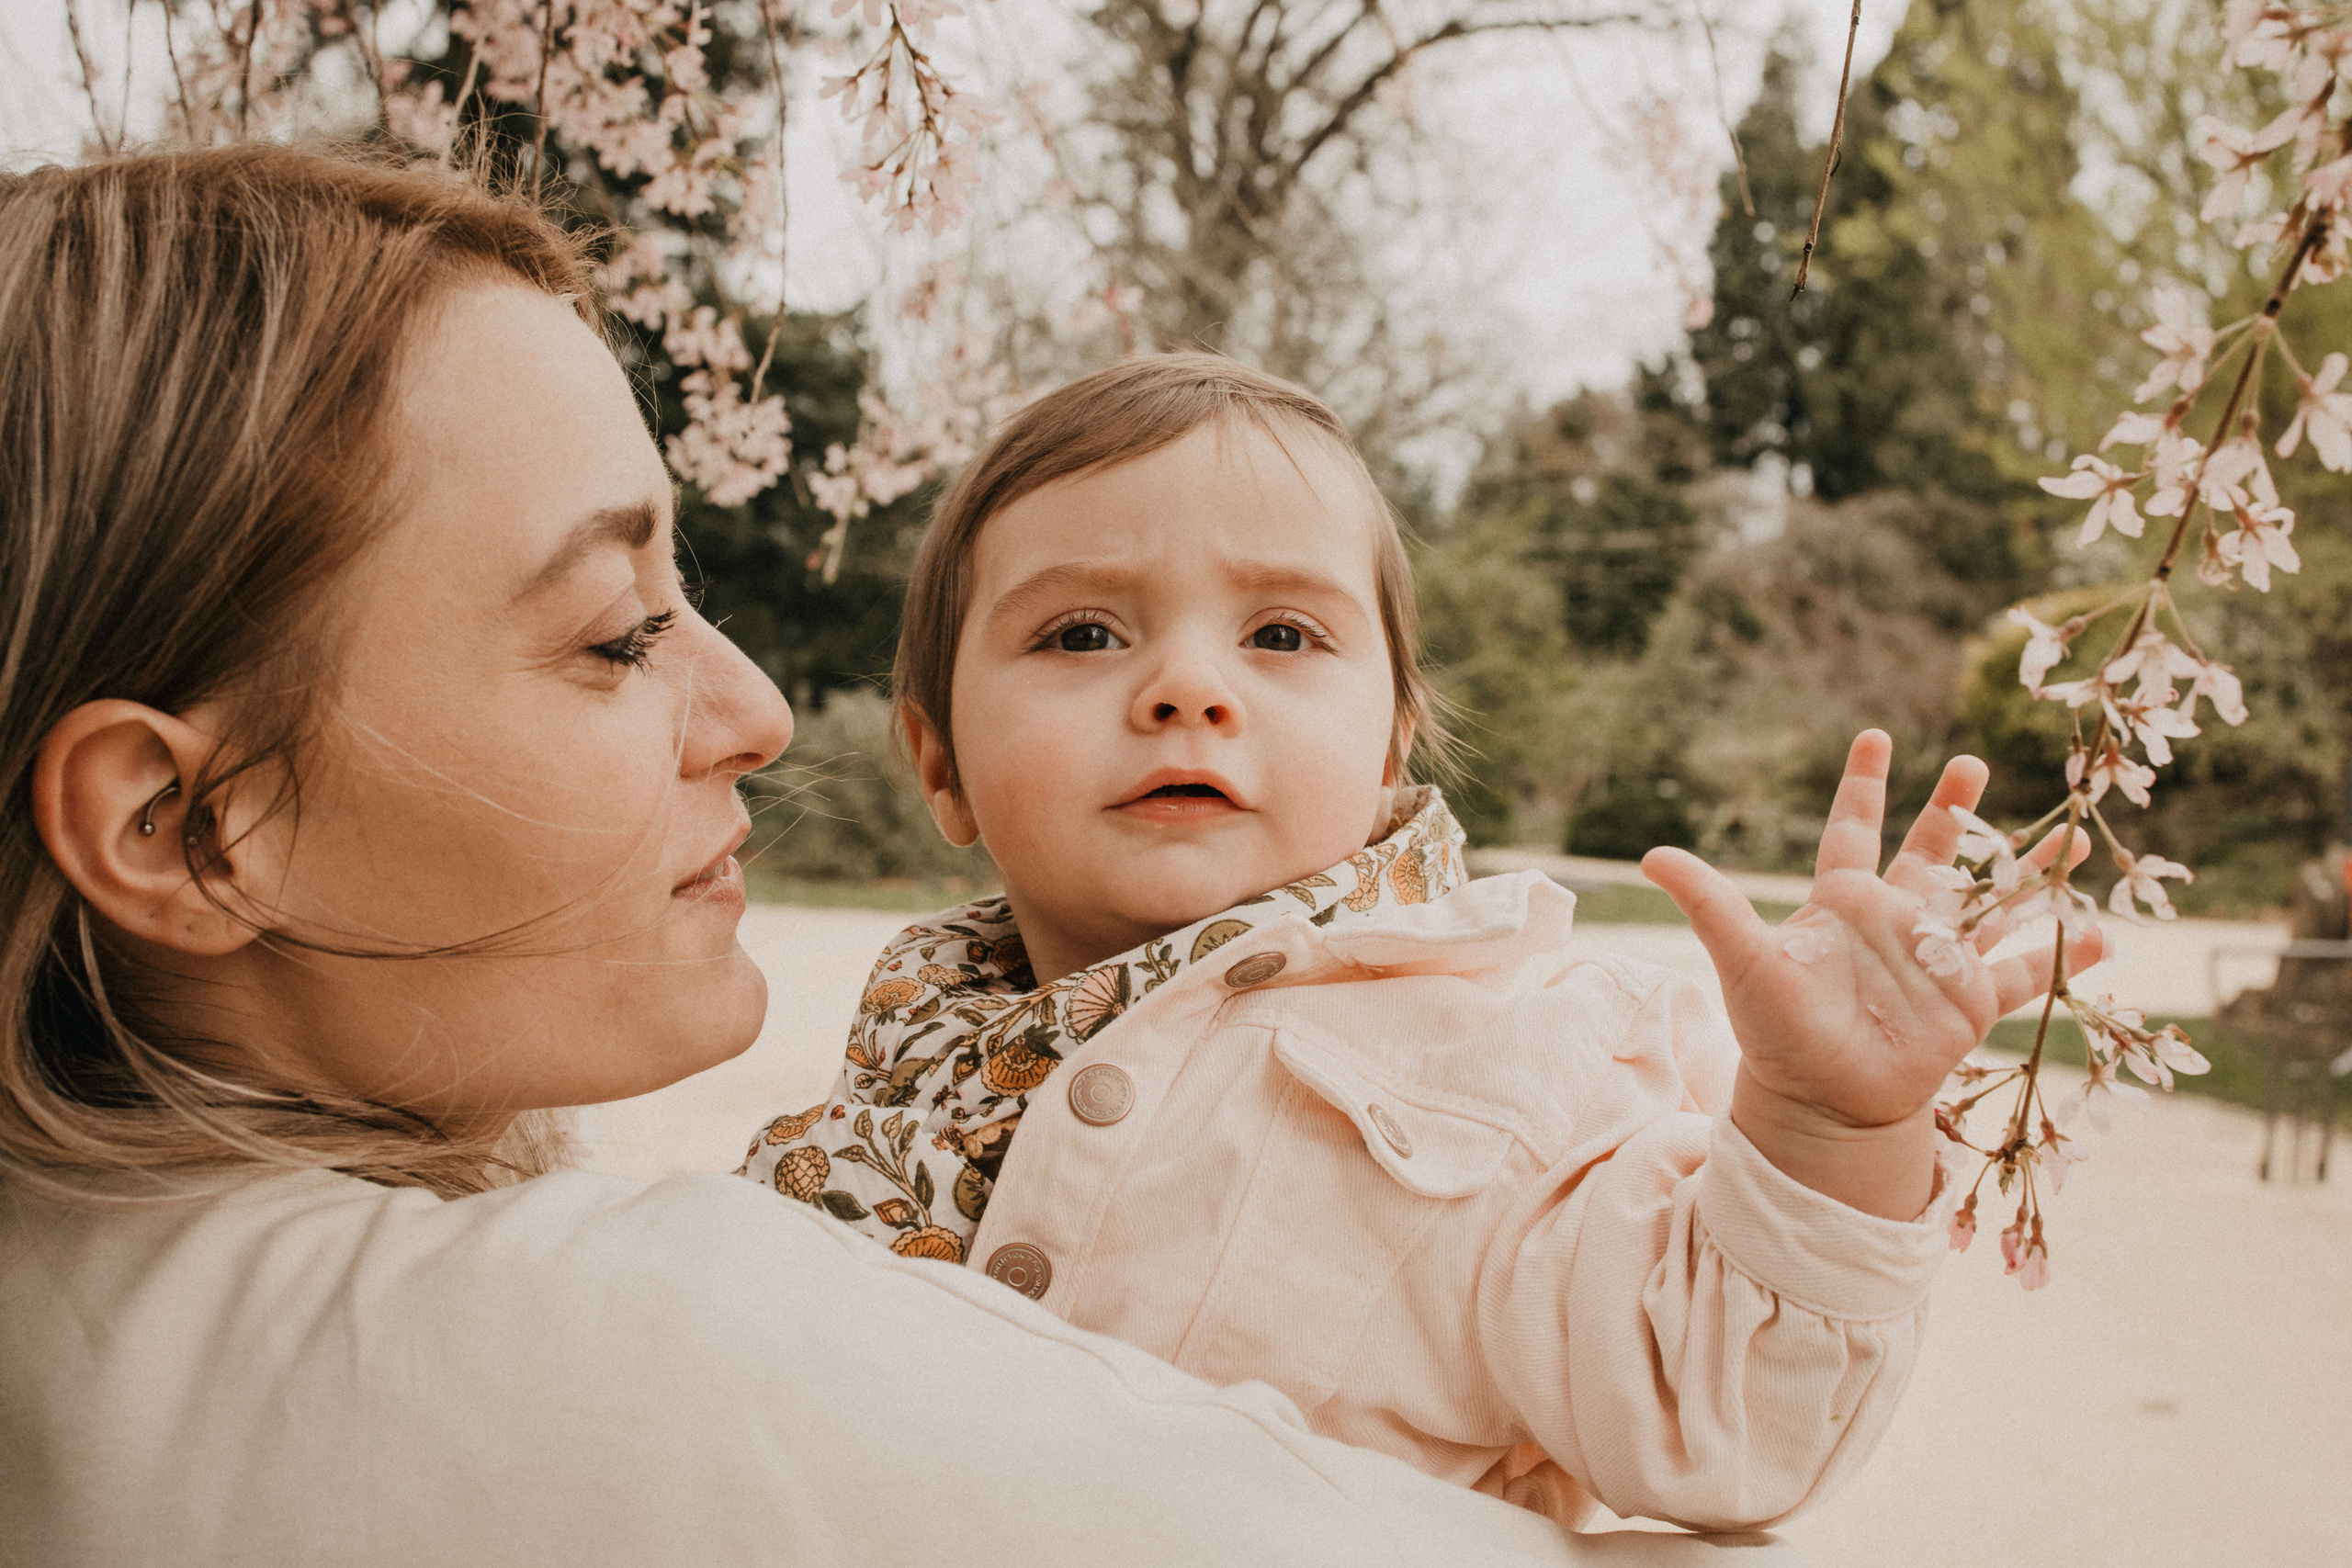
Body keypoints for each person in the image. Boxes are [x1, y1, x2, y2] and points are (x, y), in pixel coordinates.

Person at [0, 145, 1789, 1566]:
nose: (762, 710)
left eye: (1285, 635)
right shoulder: (649, 1358)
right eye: (619, 632)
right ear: (184, 825)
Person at [744, 356, 2104, 1531]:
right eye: (1083, 632)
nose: (1188, 689)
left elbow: (1727, 1424)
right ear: (941, 764)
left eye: (1282, 633)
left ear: (1390, 741)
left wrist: (1828, 1129)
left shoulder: (1514, 1060)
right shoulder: (885, 1097)